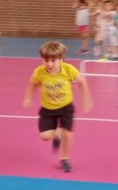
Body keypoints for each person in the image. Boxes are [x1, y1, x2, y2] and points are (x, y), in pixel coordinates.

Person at [22, 41, 92, 173]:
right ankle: (57, 134)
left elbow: (82, 81)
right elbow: (33, 84)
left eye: (53, 60)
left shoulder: (68, 69)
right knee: (45, 136)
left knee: (68, 135)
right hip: (47, 109)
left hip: (65, 108)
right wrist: (28, 97)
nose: (49, 64)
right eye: (46, 60)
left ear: (61, 59)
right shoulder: (39, 72)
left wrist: (86, 99)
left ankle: (64, 159)